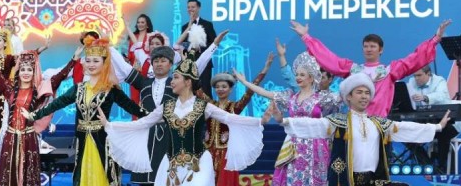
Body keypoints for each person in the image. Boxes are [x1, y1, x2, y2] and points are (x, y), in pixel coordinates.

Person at [100, 59, 265, 186]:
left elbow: (230, 118)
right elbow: (142, 124)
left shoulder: (203, 106)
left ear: (188, 82)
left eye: (176, 77)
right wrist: (110, 125)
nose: (171, 81)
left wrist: (260, 121)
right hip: (170, 164)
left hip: (199, 163)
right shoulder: (166, 107)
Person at [270, 72, 450, 186]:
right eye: (359, 92)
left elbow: (404, 128)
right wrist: (283, 120)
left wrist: (437, 127)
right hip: (345, 181)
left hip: (372, 181)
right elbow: (313, 125)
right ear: (348, 97)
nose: (364, 96)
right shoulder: (338, 122)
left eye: (367, 93)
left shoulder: (378, 123)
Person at [21, 38, 147, 186]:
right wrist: (34, 115)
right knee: (83, 175)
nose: (91, 64)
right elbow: (57, 103)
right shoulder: (79, 88)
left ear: (104, 63)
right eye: (88, 61)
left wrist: (152, 116)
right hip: (82, 141)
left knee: (103, 175)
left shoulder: (110, 89)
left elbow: (131, 107)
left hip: (102, 140)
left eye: (96, 61)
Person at [289, 19, 452, 116]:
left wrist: (435, 39)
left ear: (381, 50)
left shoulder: (390, 71)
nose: (369, 49)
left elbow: (415, 58)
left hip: (379, 124)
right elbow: (328, 58)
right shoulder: (353, 70)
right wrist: (306, 37)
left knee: (378, 163)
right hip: (355, 123)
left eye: (373, 46)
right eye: (366, 46)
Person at [243, 52, 339, 186]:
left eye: (302, 75)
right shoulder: (291, 97)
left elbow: (344, 96)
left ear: (311, 78)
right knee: (291, 178)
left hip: (316, 145)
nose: (298, 77)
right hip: (293, 146)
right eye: (297, 74)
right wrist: (245, 82)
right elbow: (266, 93)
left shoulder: (322, 98)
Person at [0, 49, 78, 186]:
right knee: (9, 173)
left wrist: (73, 60)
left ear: (34, 72)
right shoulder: (9, 90)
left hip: (29, 138)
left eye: (29, 70)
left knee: (28, 174)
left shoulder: (38, 91)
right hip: (10, 138)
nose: (26, 73)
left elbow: (59, 77)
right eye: (23, 69)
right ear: (18, 71)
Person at [197, 54, 273, 186]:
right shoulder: (210, 105)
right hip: (208, 151)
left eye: (224, 86)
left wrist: (265, 69)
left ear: (231, 89)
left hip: (226, 152)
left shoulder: (234, 107)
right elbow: (196, 89)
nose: (220, 89)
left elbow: (250, 91)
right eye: (217, 87)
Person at [404, 65, 455, 173]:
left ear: (429, 74)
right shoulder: (412, 81)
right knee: (405, 132)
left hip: (441, 119)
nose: (416, 78)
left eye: (419, 75)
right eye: (414, 75)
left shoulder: (439, 81)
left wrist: (425, 97)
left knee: (445, 131)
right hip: (421, 119)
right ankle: (427, 165)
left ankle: (441, 166)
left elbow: (441, 96)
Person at [180, 0, 217, 93]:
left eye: (193, 7)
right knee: (189, 89)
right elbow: (183, 44)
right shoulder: (184, 27)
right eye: (188, 7)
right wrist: (187, 50)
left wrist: (200, 47)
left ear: (198, 8)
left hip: (204, 63)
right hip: (189, 64)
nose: (190, 9)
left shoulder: (207, 24)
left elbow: (214, 43)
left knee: (205, 89)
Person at [124, 15, 154, 106]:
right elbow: (130, 54)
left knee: (148, 95)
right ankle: (135, 115)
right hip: (135, 69)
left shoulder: (151, 36)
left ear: (147, 25)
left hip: (147, 68)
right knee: (134, 98)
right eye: (138, 22)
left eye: (142, 22)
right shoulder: (133, 37)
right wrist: (127, 59)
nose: (140, 24)